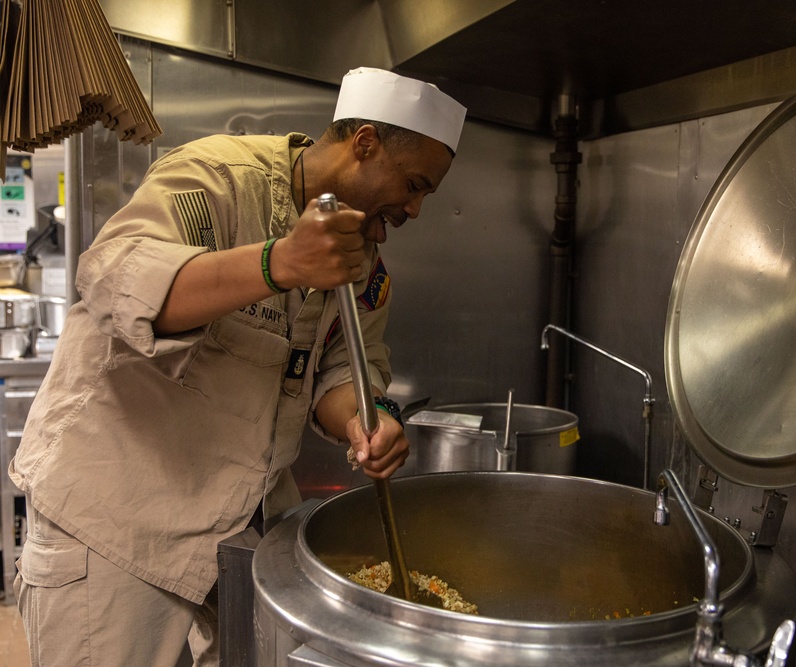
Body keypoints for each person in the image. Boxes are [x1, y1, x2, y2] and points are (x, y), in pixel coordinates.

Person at [8, 67, 466, 666]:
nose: (415, 207)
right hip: (117, 518)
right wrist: (281, 262)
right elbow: (117, 281)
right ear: (364, 145)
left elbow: (339, 369)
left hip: (241, 519)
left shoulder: (364, 262)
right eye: (413, 184)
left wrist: (364, 417)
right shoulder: (219, 178)